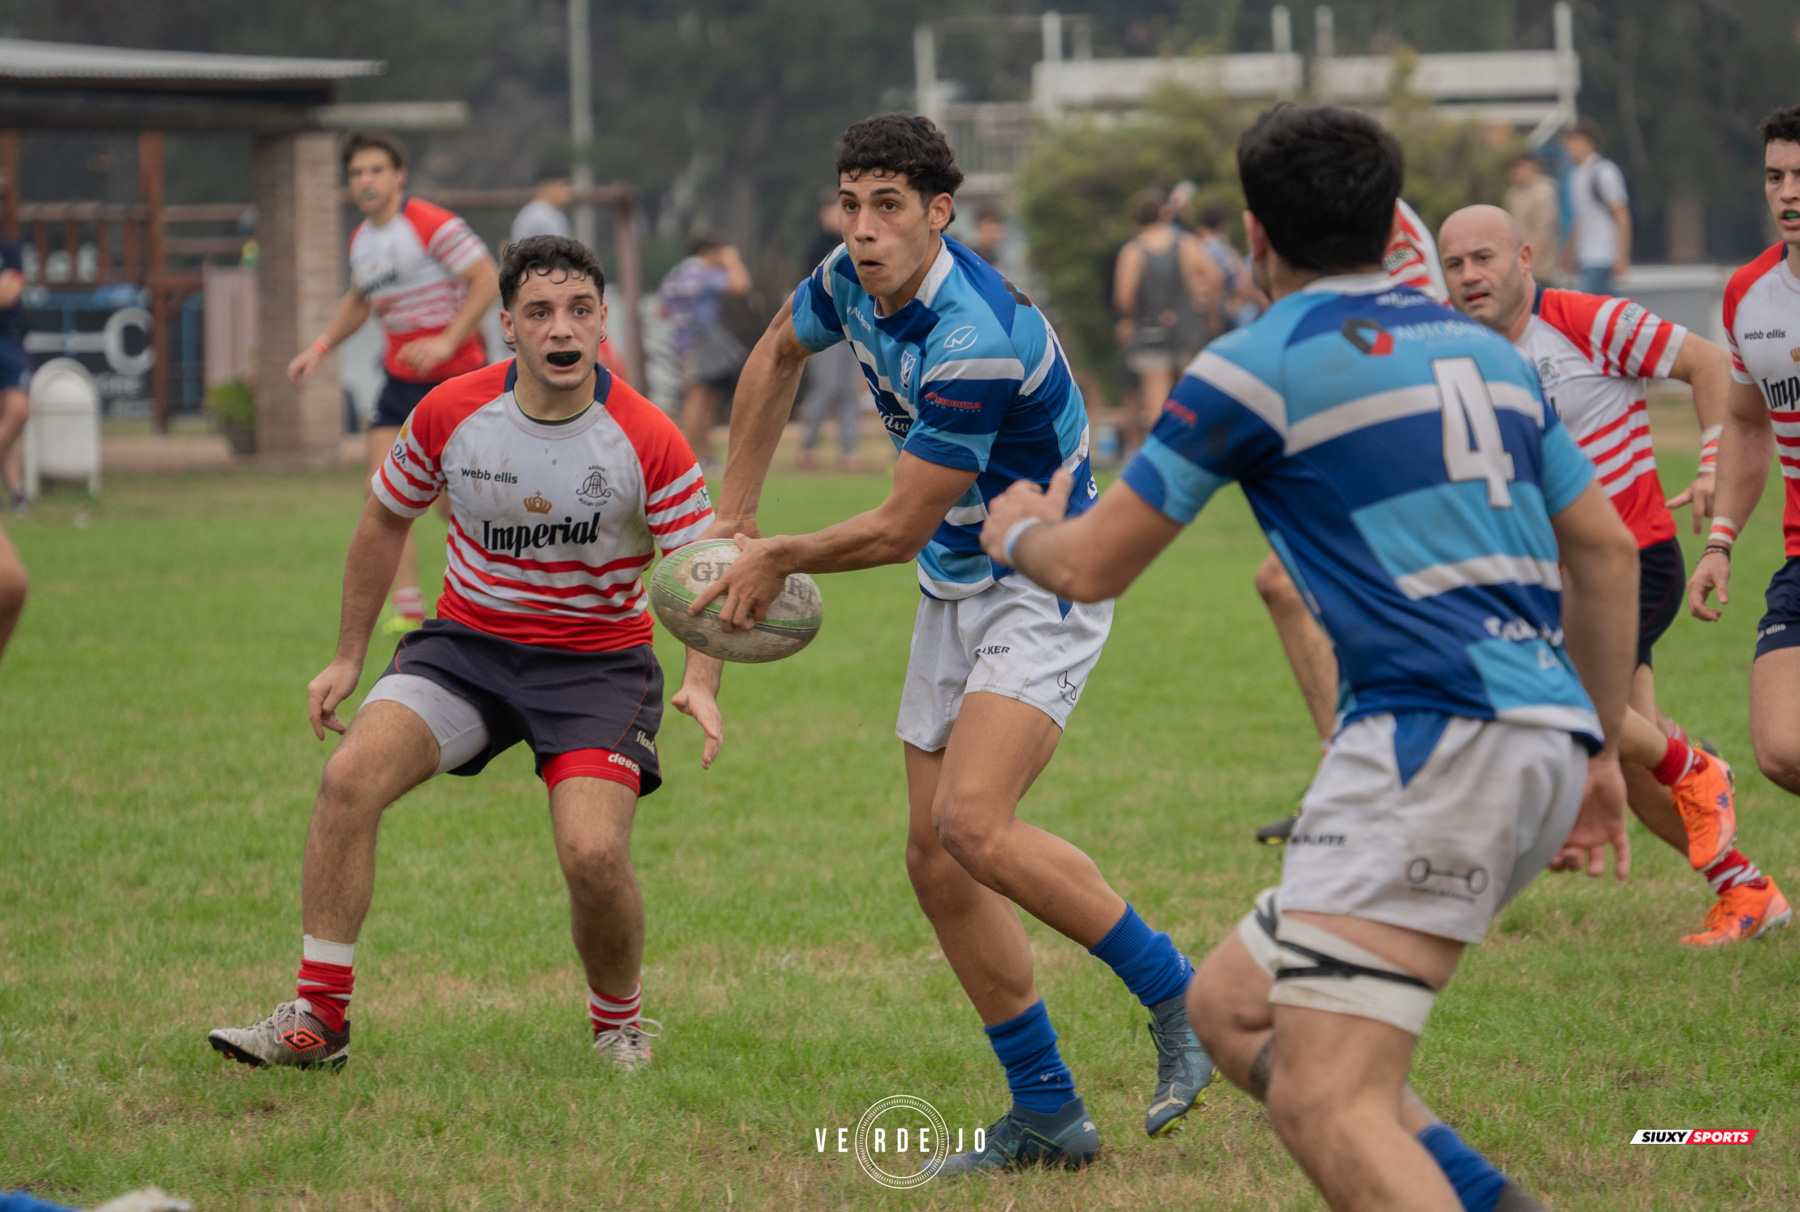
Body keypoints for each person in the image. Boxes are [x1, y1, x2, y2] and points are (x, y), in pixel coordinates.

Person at [979, 102, 1630, 1212]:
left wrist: (1015, 532)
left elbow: (1090, 568)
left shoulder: (1255, 364)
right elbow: (1606, 552)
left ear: (1255, 236)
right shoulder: (1486, 353)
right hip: (1538, 739)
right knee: (1235, 1010)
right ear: (1392, 225)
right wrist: (1602, 758)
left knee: (1329, 1102)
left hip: (1429, 742)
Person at [690, 113, 1216, 1170]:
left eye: (890, 206)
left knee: (976, 824)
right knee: (936, 862)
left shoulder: (972, 335)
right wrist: (733, 516)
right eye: (853, 203)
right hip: (958, 582)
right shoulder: (848, 277)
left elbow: (897, 525)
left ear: (940, 213)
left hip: (1045, 575)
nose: (865, 227)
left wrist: (776, 554)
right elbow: (773, 354)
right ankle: (1047, 1114)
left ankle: (1189, 1003)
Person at [208, 236, 724, 1072]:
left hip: (596, 667)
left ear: (602, 324)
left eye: (580, 310)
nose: (563, 328)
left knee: (593, 853)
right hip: (467, 654)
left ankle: (617, 1024)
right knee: (348, 780)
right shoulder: (451, 412)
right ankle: (318, 1019)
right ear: (509, 330)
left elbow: (704, 571)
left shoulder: (647, 437)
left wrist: (702, 679)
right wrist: (346, 658)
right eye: (540, 312)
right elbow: (383, 518)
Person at [1436, 205, 1785, 945]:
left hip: (1632, 561)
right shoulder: (1452, 352)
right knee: (1629, 762)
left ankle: (1698, 767)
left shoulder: (1582, 319)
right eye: (1456, 264)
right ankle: (1745, 888)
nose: (1470, 276)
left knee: (1553, 690)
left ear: (1524, 258)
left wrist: (1716, 449)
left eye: (1484, 258)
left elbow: (1709, 363)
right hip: (1551, 581)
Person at [1248, 198, 1450, 845]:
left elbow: (1390, 334)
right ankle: (1353, 784)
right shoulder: (1314, 220)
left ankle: (1672, 760)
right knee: (1285, 584)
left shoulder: (1376, 220)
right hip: (1374, 435)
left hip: (1415, 435)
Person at [287, 132, 500, 634]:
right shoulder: (362, 239)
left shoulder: (429, 223)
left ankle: (494, 587)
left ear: (398, 175)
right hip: (399, 381)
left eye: (376, 170)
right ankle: (406, 606)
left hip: (456, 380)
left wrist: (448, 341)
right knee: (382, 490)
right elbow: (359, 302)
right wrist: (318, 348)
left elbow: (487, 278)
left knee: (457, 499)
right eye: (357, 173)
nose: (366, 180)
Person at [1691, 103, 1800, 854]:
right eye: (1776, 176)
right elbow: (1747, 420)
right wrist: (1721, 539)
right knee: (1781, 748)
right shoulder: (1749, 297)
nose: (1789, 192)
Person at [1114, 187, 1223, 452]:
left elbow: (1124, 297)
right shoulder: (1186, 243)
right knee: (1188, 395)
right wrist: (1208, 310)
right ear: (1164, 212)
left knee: (1156, 400)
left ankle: (1158, 454)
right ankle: (1192, 451)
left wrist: (1132, 318)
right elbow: (1215, 277)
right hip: (1187, 327)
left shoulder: (1133, 250)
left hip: (1150, 331)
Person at [656, 231, 751, 466]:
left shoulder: (676, 273)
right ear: (707, 252)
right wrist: (732, 260)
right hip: (702, 342)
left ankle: (703, 454)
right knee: (699, 397)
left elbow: (661, 310)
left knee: (702, 395)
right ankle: (690, 457)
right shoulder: (705, 273)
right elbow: (741, 285)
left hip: (682, 342)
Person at [796, 191, 867, 472]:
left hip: (853, 326)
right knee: (826, 387)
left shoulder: (854, 244)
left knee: (849, 390)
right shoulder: (816, 249)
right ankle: (807, 446)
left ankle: (848, 449)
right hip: (826, 328)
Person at [1561, 118, 1631, 295]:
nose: (1569, 146)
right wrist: (1571, 252)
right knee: (1607, 311)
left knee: (1589, 309)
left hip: (1603, 254)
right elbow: (1581, 217)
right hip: (1586, 256)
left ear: (1588, 142)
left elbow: (1621, 214)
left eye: (1574, 141)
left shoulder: (1604, 172)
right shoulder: (1576, 175)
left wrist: (1621, 256)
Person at [1194, 200, 1265, 332]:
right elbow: (1241, 285)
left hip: (1194, 315)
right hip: (1224, 315)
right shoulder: (1221, 250)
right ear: (1221, 224)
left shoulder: (1191, 247)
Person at [0, 231, 28, 513]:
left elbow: (10, 294)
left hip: (8, 340)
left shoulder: (8, 250)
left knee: (18, 411)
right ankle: (17, 492)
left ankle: (17, 494)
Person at [1503, 151, 1560, 282]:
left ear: (1533, 168)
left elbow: (1543, 232)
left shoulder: (1543, 192)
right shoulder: (1513, 194)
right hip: (1517, 266)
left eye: (1521, 167)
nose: (1516, 172)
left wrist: (1528, 264)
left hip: (1538, 269)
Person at [510, 169, 574, 243]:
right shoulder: (543, 216)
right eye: (564, 184)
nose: (569, 190)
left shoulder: (531, 211)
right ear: (548, 185)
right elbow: (559, 251)